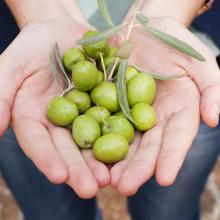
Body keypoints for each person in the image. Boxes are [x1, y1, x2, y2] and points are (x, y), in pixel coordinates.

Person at [0, 0, 219, 220]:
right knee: (52, 212)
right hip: (26, 65)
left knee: (168, 212)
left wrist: (170, 8)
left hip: (182, 64)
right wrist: (42, 10)